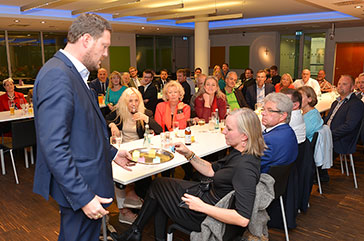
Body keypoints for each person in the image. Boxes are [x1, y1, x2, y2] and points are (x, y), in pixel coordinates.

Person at [32, 13, 132, 241]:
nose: (105, 54)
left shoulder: (71, 72)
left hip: (87, 182)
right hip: (81, 188)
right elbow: (54, 146)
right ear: (86, 39)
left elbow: (85, 130)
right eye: (104, 46)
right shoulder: (58, 75)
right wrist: (84, 197)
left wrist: (113, 153)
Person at [113, 108, 265, 241]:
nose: (224, 131)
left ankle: (135, 232)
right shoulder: (240, 152)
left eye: (229, 129)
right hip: (209, 198)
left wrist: (202, 207)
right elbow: (211, 170)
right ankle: (136, 232)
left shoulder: (245, 168)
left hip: (207, 216)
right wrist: (189, 154)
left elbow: (243, 219)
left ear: (244, 136)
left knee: (157, 187)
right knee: (159, 186)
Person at [106, 87, 162, 224]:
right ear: (125, 102)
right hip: (123, 151)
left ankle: (134, 200)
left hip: (141, 152)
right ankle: (125, 209)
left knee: (141, 179)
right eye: (130, 100)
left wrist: (146, 119)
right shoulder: (119, 113)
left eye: (136, 100)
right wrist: (113, 125)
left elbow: (159, 130)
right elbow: (105, 119)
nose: (134, 104)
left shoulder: (146, 112)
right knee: (119, 176)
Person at [325, 75, 364, 155]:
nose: (340, 86)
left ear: (352, 87)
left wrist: (329, 135)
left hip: (340, 140)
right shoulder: (335, 102)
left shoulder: (356, 104)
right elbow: (327, 119)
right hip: (328, 134)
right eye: (339, 84)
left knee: (308, 148)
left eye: (344, 84)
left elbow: (349, 126)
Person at [260, 93, 298, 174]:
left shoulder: (269, 140)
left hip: (262, 182)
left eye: (270, 110)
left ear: (282, 116)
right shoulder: (289, 132)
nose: (263, 113)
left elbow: (251, 165)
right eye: (263, 109)